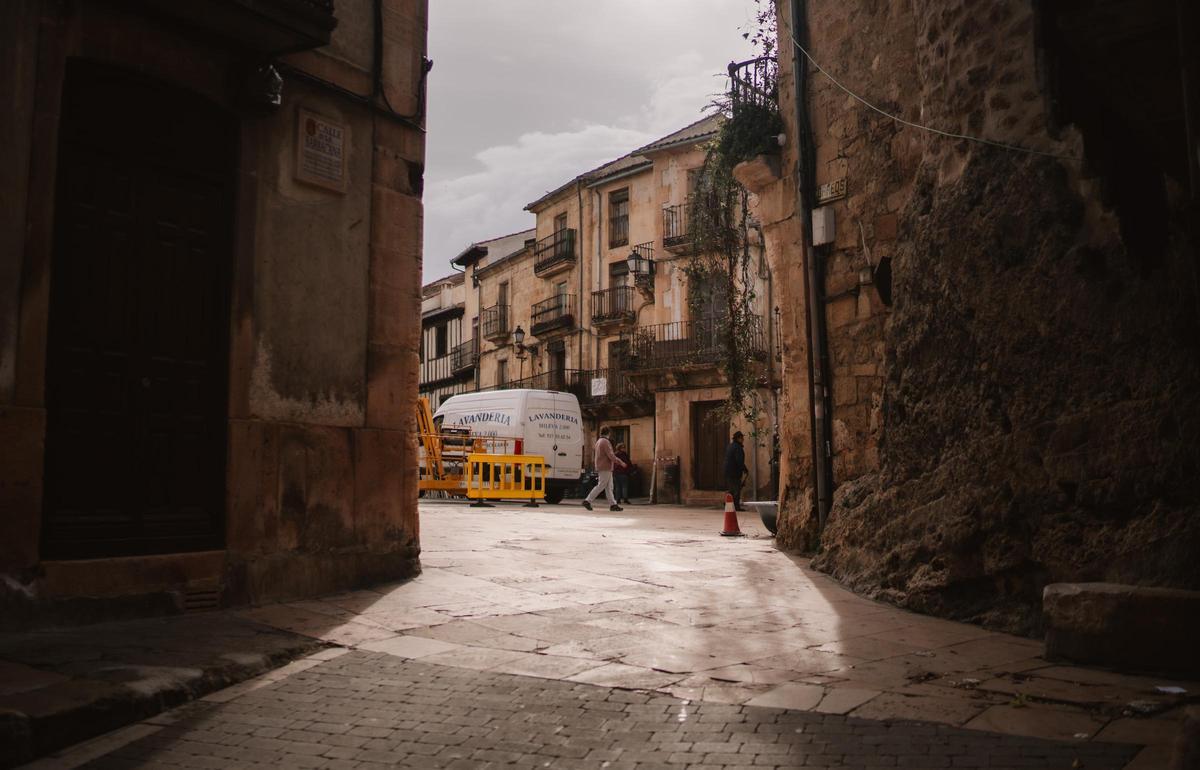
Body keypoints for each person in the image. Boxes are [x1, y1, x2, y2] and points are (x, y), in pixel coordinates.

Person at [583, 427, 626, 511]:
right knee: (602, 485)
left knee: (609, 487)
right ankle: (587, 500)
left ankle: (613, 504)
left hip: (602, 466)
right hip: (605, 467)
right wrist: (620, 462)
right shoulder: (606, 442)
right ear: (608, 433)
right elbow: (611, 455)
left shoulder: (598, 441)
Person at [724, 430, 748, 512]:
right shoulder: (738, 448)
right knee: (736, 489)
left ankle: (727, 503)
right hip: (734, 472)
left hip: (728, 471)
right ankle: (736, 506)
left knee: (731, 489)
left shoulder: (730, 446)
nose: (743, 439)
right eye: (741, 438)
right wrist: (744, 469)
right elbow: (739, 461)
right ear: (738, 439)